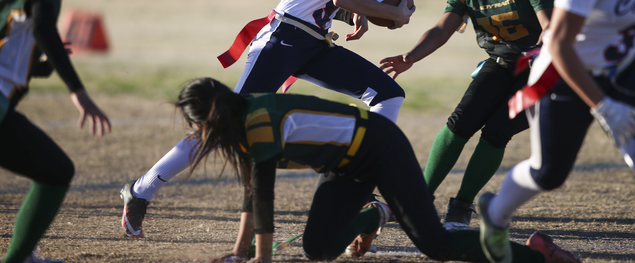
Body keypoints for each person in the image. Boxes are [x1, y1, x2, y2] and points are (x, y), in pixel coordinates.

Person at [120, 0, 415, 238]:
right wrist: (391, 13)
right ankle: (141, 189)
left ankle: (362, 178)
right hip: (284, 40)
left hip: (314, 44)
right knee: (223, 124)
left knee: (388, 93)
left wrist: (355, 13)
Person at [174, 77, 576, 263]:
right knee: (318, 250)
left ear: (209, 119)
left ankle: (536, 255)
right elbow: (251, 192)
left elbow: (264, 196)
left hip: (381, 148)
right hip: (346, 167)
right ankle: (373, 213)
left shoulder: (256, 120)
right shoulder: (243, 126)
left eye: (195, 125)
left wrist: (260, 261)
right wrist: (240, 254)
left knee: (436, 246)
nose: (196, 133)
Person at [478, 0, 635, 263]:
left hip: (619, 70)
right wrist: (604, 107)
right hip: (564, 72)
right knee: (549, 172)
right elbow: (561, 45)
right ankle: (495, 215)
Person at [380, 0, 557, 230]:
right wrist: (410, 58)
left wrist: (541, 53)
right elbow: (441, 29)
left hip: (546, 69)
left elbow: (552, 26)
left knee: (497, 131)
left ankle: (461, 207)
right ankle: (419, 197)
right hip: (502, 63)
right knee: (461, 122)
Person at [0, 0, 111, 263]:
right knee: (56, 171)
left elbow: (8, 40)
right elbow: (44, 27)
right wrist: (78, 91)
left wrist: (41, 67)